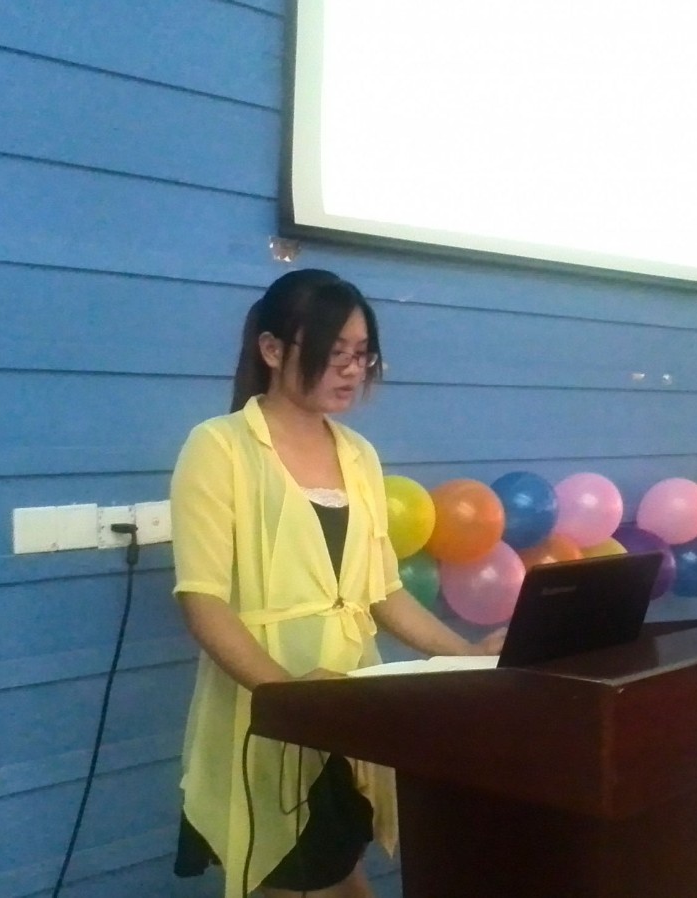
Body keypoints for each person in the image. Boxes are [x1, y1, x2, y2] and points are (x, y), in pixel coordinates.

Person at [169, 269, 504, 898]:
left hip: (351, 704)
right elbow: (202, 600)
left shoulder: (358, 455)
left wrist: (467, 656)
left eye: (362, 354)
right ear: (272, 350)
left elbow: (383, 593)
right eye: (333, 353)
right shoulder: (219, 448)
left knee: (338, 864)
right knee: (284, 868)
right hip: (269, 704)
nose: (351, 371)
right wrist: (290, 698)